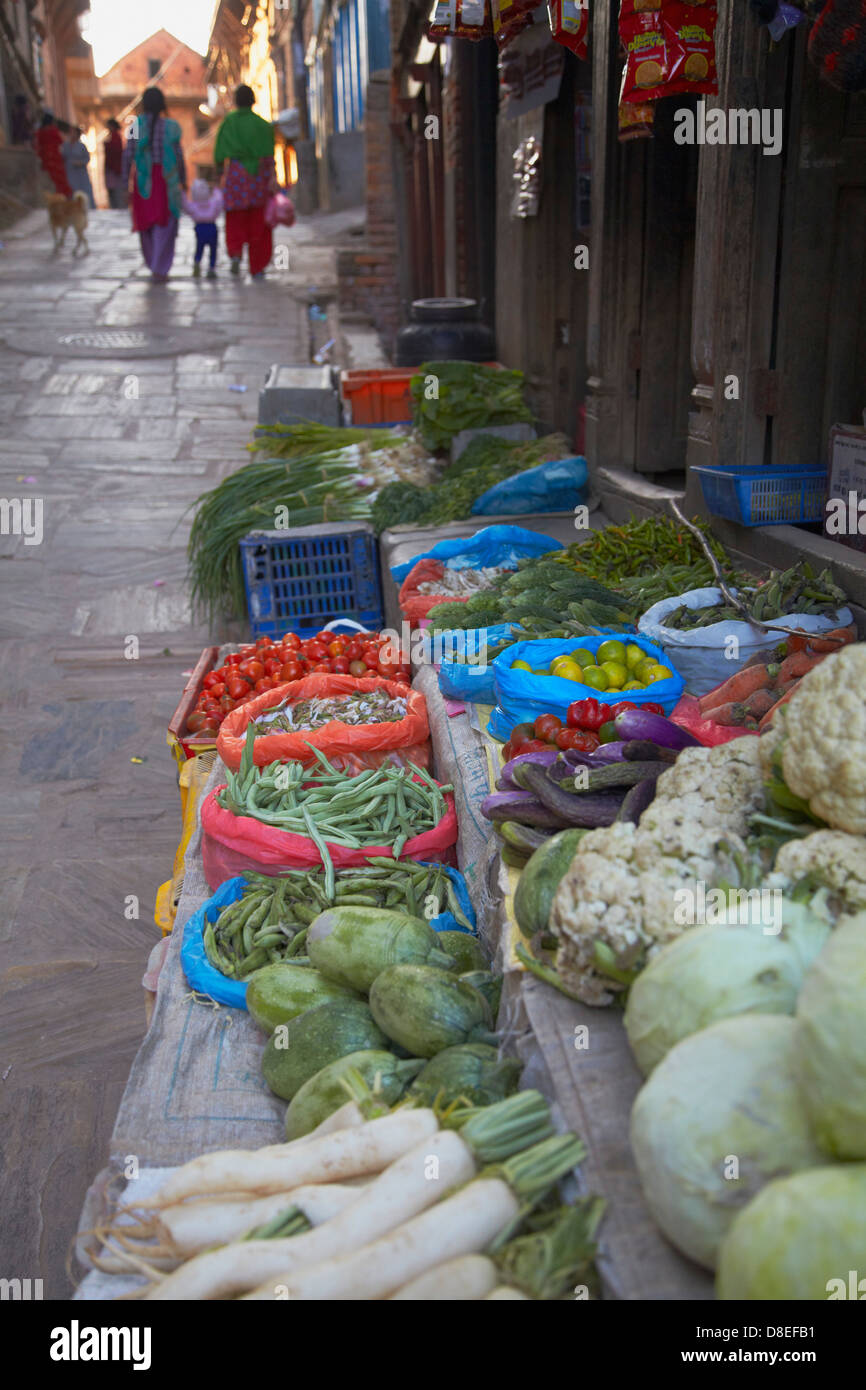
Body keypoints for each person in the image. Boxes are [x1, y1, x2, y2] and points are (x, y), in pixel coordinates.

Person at [122, 87, 186, 282]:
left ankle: (154, 264)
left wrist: (126, 184)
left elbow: (127, 157)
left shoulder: (134, 125)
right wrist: (184, 181)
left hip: (142, 181)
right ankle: (160, 267)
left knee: (145, 225)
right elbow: (179, 157)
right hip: (165, 181)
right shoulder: (172, 127)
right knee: (164, 224)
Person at [214, 84, 276, 280]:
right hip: (258, 178)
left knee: (235, 218)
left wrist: (219, 177)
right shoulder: (263, 125)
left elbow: (218, 154)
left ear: (235, 101)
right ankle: (257, 267)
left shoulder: (228, 123)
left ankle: (235, 254)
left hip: (236, 177)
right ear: (253, 100)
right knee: (258, 221)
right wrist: (272, 179)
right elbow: (268, 158)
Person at [182, 177, 223, 279]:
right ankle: (211, 268)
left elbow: (185, 205)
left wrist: (182, 193)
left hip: (200, 229)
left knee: (199, 248)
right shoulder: (213, 204)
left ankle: (197, 262)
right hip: (212, 228)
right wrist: (217, 190)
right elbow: (220, 200)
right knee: (213, 250)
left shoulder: (193, 206)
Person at [33, 112, 72, 196]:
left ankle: (54, 196)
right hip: (55, 157)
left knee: (50, 178)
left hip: (45, 157)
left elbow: (37, 144)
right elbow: (60, 141)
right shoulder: (53, 130)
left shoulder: (40, 131)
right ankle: (63, 195)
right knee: (59, 178)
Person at [62, 127, 95, 208]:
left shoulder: (82, 146)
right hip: (70, 172)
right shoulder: (65, 145)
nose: (72, 134)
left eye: (74, 132)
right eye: (70, 132)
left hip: (81, 173)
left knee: (84, 192)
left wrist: (80, 163)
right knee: (72, 191)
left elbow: (87, 158)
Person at [103, 118, 126, 209]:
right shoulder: (112, 136)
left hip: (115, 169)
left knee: (117, 193)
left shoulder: (115, 136)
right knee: (112, 192)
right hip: (111, 169)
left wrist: (107, 145)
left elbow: (116, 152)